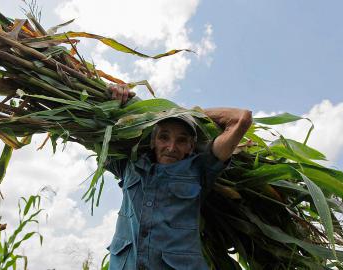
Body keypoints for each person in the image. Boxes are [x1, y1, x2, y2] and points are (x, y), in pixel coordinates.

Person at [105, 84, 252, 270]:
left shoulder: (200, 170)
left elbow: (241, 119)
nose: (171, 147)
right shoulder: (129, 166)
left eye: (181, 140)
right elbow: (103, 134)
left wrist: (188, 113)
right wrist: (115, 98)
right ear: (152, 141)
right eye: (164, 137)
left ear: (191, 147)